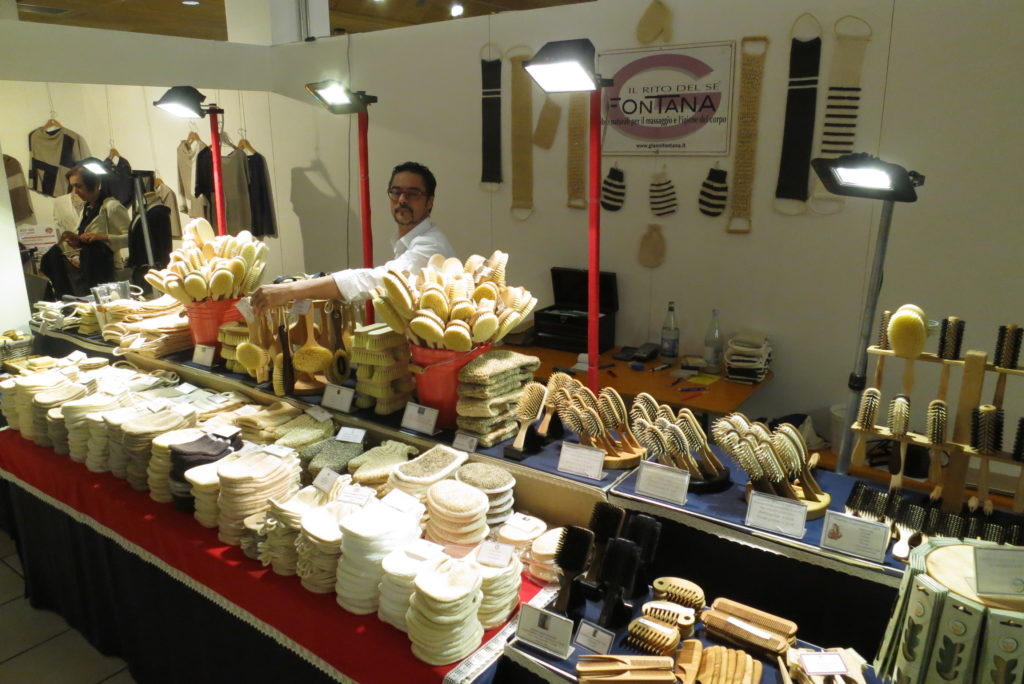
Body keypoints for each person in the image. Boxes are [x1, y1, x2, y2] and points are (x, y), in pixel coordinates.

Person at [251, 161, 455, 314]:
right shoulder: (406, 241)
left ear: (430, 201)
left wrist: (291, 291)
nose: (402, 200)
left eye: (413, 194)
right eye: (396, 192)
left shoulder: (431, 245)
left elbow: (381, 280)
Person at [39, 164, 130, 297]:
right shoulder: (87, 208)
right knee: (52, 255)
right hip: (88, 267)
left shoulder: (112, 207)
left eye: (78, 186)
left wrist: (102, 237)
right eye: (73, 186)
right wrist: (77, 241)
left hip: (105, 270)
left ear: (93, 184)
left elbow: (132, 239)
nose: (75, 191)